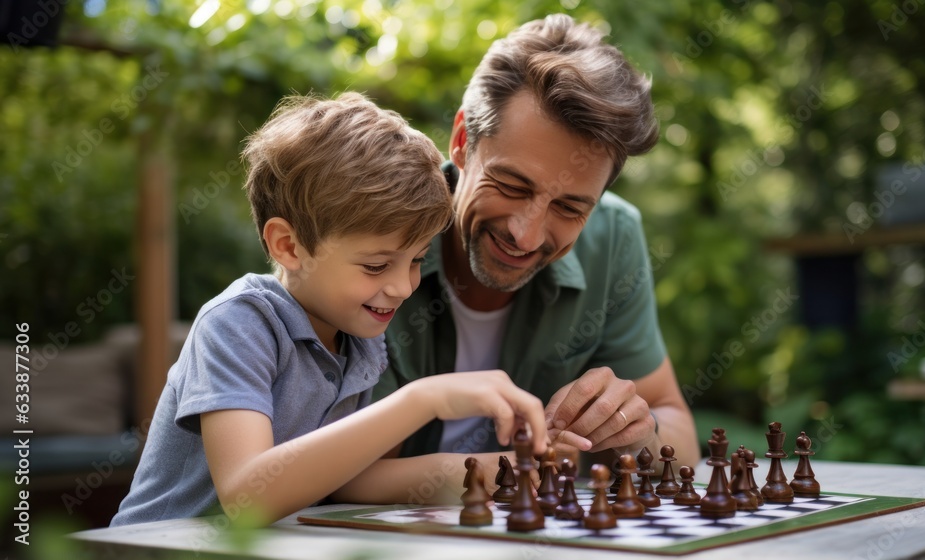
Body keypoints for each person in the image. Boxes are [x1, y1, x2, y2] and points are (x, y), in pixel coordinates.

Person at [110, 93, 549, 527]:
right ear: (288, 246)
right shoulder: (240, 323)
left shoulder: (360, 341)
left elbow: (350, 482)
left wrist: (504, 468)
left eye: (416, 260)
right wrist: (422, 399)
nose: (402, 286)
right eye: (376, 265)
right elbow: (247, 497)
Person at [372, 14, 700, 475]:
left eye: (569, 208)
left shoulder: (613, 237)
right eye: (511, 185)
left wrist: (637, 434)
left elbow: (678, 434)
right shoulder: (369, 227)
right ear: (463, 141)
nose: (525, 235)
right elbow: (310, 463)